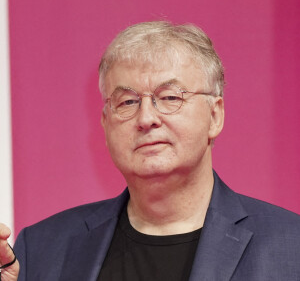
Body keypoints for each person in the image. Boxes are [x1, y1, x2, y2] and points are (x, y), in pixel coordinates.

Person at [0, 21, 300, 281]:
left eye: (169, 97)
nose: (146, 118)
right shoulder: (42, 248)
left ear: (215, 115)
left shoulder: (290, 245)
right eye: (127, 102)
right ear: (105, 124)